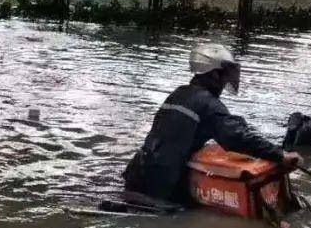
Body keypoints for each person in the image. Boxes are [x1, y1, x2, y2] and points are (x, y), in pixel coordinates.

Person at [123, 44, 300, 204]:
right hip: (163, 189)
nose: (227, 81)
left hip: (138, 174)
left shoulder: (179, 94)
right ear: (215, 74)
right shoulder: (209, 104)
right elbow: (236, 137)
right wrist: (280, 155)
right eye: (226, 74)